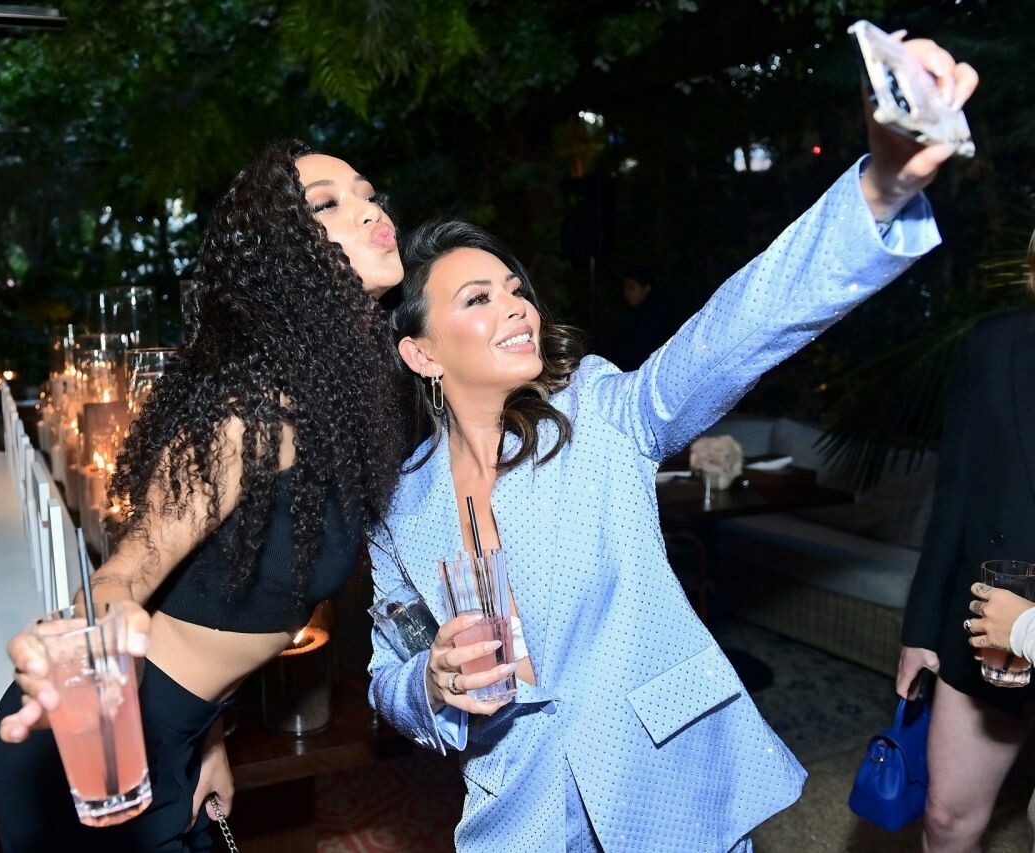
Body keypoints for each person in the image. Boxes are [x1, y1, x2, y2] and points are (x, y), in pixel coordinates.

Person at [368, 37, 973, 852]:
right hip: (520, 808)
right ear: (422, 353)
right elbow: (388, 674)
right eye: (477, 298)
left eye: (516, 288)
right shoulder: (398, 508)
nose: (516, 306)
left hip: (667, 784)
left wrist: (880, 189)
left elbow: (735, 331)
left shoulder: (600, 414)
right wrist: (431, 682)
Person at [0, 139, 407, 850]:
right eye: (328, 205)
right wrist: (80, 643)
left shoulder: (336, 398)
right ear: (282, 258)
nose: (369, 211)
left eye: (368, 194)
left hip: (178, 732)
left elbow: (208, 593)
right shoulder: (252, 411)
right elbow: (127, 574)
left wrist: (210, 738)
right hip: (102, 743)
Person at [900, 224, 1035, 853]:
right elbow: (953, 495)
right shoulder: (994, 343)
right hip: (988, 623)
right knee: (948, 817)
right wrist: (922, 630)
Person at [609, 264, 678, 370]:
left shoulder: (658, 316)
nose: (626, 293)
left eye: (631, 287)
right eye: (625, 288)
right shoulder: (630, 314)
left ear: (646, 288)